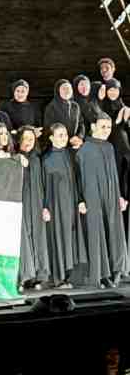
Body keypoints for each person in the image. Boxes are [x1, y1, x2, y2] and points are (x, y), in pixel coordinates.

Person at [75, 114, 128, 288]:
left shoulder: (109, 147)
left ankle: (116, 270)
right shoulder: (84, 150)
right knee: (97, 232)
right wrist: (80, 200)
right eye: (103, 126)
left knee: (113, 230)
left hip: (111, 197)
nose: (106, 130)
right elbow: (77, 177)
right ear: (93, 126)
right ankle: (101, 273)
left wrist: (119, 195)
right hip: (93, 198)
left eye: (109, 127)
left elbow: (115, 175)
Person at [42, 123, 84, 289]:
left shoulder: (71, 155)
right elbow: (44, 185)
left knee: (70, 238)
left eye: (65, 134)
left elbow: (77, 180)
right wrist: (45, 207)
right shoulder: (46, 159)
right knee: (58, 238)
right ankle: (59, 278)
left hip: (71, 203)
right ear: (51, 138)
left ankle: (69, 275)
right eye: (60, 135)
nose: (64, 138)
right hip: (56, 205)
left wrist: (80, 200)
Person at [17, 126, 49, 291]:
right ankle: (23, 276)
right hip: (21, 202)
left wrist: (45, 206)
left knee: (38, 238)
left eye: (31, 139)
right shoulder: (15, 159)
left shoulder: (37, 159)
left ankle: (38, 276)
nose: (28, 142)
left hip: (36, 203)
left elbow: (44, 184)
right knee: (23, 237)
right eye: (25, 139)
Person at [43, 79, 85, 149]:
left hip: (74, 144)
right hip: (58, 146)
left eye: (69, 88)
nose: (67, 90)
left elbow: (81, 123)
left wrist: (79, 137)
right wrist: (62, 140)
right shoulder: (51, 107)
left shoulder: (75, 106)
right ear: (58, 91)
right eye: (64, 88)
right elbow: (48, 129)